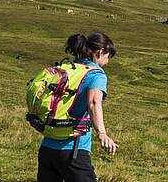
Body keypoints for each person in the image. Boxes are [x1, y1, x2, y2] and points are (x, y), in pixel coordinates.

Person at [39, 32, 119, 182]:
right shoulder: (96, 74)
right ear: (100, 52)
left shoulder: (67, 68)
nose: (107, 63)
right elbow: (94, 103)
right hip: (73, 150)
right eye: (108, 57)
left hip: (47, 147)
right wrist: (102, 133)